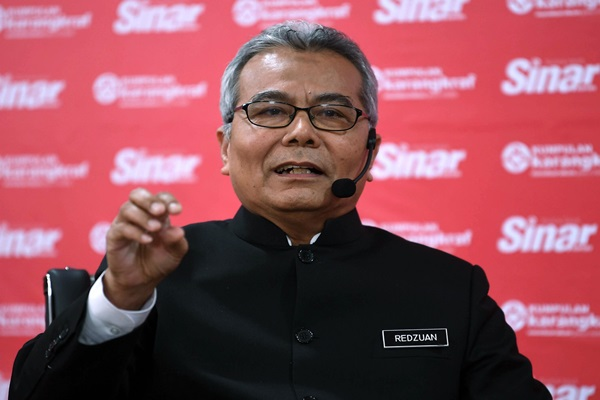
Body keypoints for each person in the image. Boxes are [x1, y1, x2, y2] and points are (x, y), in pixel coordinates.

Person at [9, 20, 551, 400]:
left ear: (371, 152)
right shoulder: (153, 275)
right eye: (270, 111)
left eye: (332, 114)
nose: (301, 133)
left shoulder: (450, 289)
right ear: (226, 147)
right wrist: (119, 301)